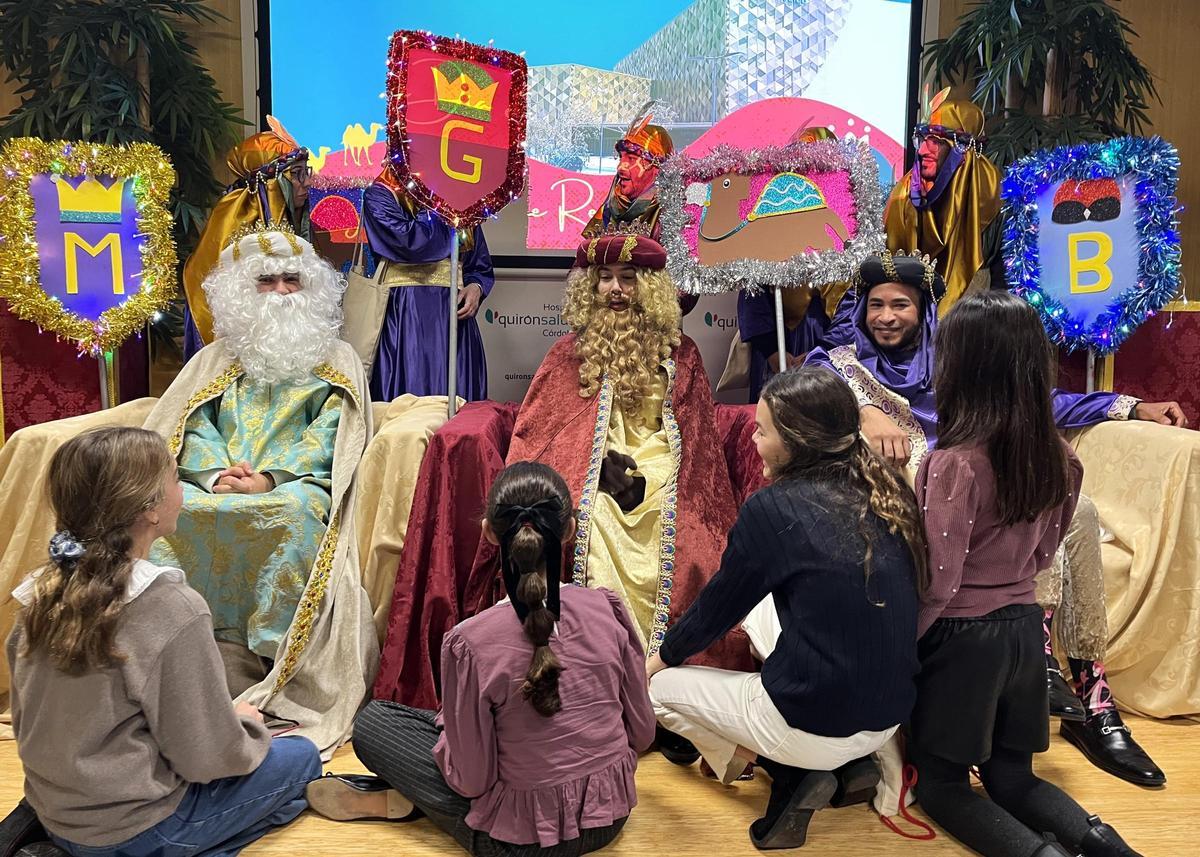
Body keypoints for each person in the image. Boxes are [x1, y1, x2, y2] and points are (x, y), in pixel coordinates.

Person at [806, 251, 1178, 786]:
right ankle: (1042, 659)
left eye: (901, 306)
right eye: (876, 305)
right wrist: (863, 409)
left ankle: (1087, 686)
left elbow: (1041, 402)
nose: (885, 317)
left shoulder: (953, 361)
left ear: (926, 312)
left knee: (1079, 511)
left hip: (973, 485)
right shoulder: (839, 363)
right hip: (903, 494)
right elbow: (807, 396)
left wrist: (1129, 405)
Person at [307, 462, 655, 857]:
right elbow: (642, 734)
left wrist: (459, 743)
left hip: (520, 845)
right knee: (451, 725)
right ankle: (418, 792)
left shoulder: (469, 642)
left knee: (374, 722)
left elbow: (472, 782)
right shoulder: (606, 607)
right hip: (609, 817)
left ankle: (416, 800)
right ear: (570, 530)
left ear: (489, 531)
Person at [645, 367, 925, 850]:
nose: (753, 438)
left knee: (656, 691)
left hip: (814, 723)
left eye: (762, 430)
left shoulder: (772, 509)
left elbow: (715, 609)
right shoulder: (888, 488)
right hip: (890, 718)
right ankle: (843, 764)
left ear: (795, 441)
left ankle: (782, 769)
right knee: (762, 615)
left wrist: (653, 662)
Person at [7, 427, 321, 856]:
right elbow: (206, 760)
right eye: (176, 479)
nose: (181, 491)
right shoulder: (170, 606)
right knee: (301, 758)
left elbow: (34, 722)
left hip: (56, 814)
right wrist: (245, 724)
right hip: (134, 830)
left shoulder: (38, 593)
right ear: (150, 509)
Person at [909, 290, 1143, 857]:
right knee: (1013, 776)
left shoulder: (953, 462)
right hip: (1022, 631)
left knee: (941, 786)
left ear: (963, 367)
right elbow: (1045, 555)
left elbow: (939, 581)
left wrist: (904, 644)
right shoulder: (1060, 459)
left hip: (962, 641)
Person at [146, 224, 377, 755]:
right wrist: (213, 476)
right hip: (214, 484)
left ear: (312, 286)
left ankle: (274, 669)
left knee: (292, 516)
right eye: (265, 281)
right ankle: (185, 658)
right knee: (170, 518)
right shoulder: (214, 359)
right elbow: (190, 425)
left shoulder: (337, 357)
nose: (279, 292)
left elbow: (337, 433)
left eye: (291, 280)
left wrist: (270, 480)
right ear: (240, 293)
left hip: (297, 488)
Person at [360, 163, 494, 402]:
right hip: (404, 317)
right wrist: (437, 201)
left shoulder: (460, 199)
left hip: (453, 317)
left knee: (457, 405)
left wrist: (476, 286)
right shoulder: (379, 194)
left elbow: (478, 263)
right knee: (407, 407)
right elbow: (414, 245)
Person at [182, 116, 312, 358]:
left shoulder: (285, 219)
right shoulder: (233, 215)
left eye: (306, 172)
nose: (307, 183)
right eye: (297, 174)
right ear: (271, 183)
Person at [884, 94, 1003, 315]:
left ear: (962, 150)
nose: (921, 152)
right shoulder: (903, 197)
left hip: (973, 322)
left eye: (935, 143)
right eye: (922, 140)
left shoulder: (994, 195)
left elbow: (1002, 282)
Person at [581, 106, 673, 240]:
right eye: (620, 158)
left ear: (656, 166)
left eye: (631, 159)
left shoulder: (671, 213)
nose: (620, 167)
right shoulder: (609, 209)